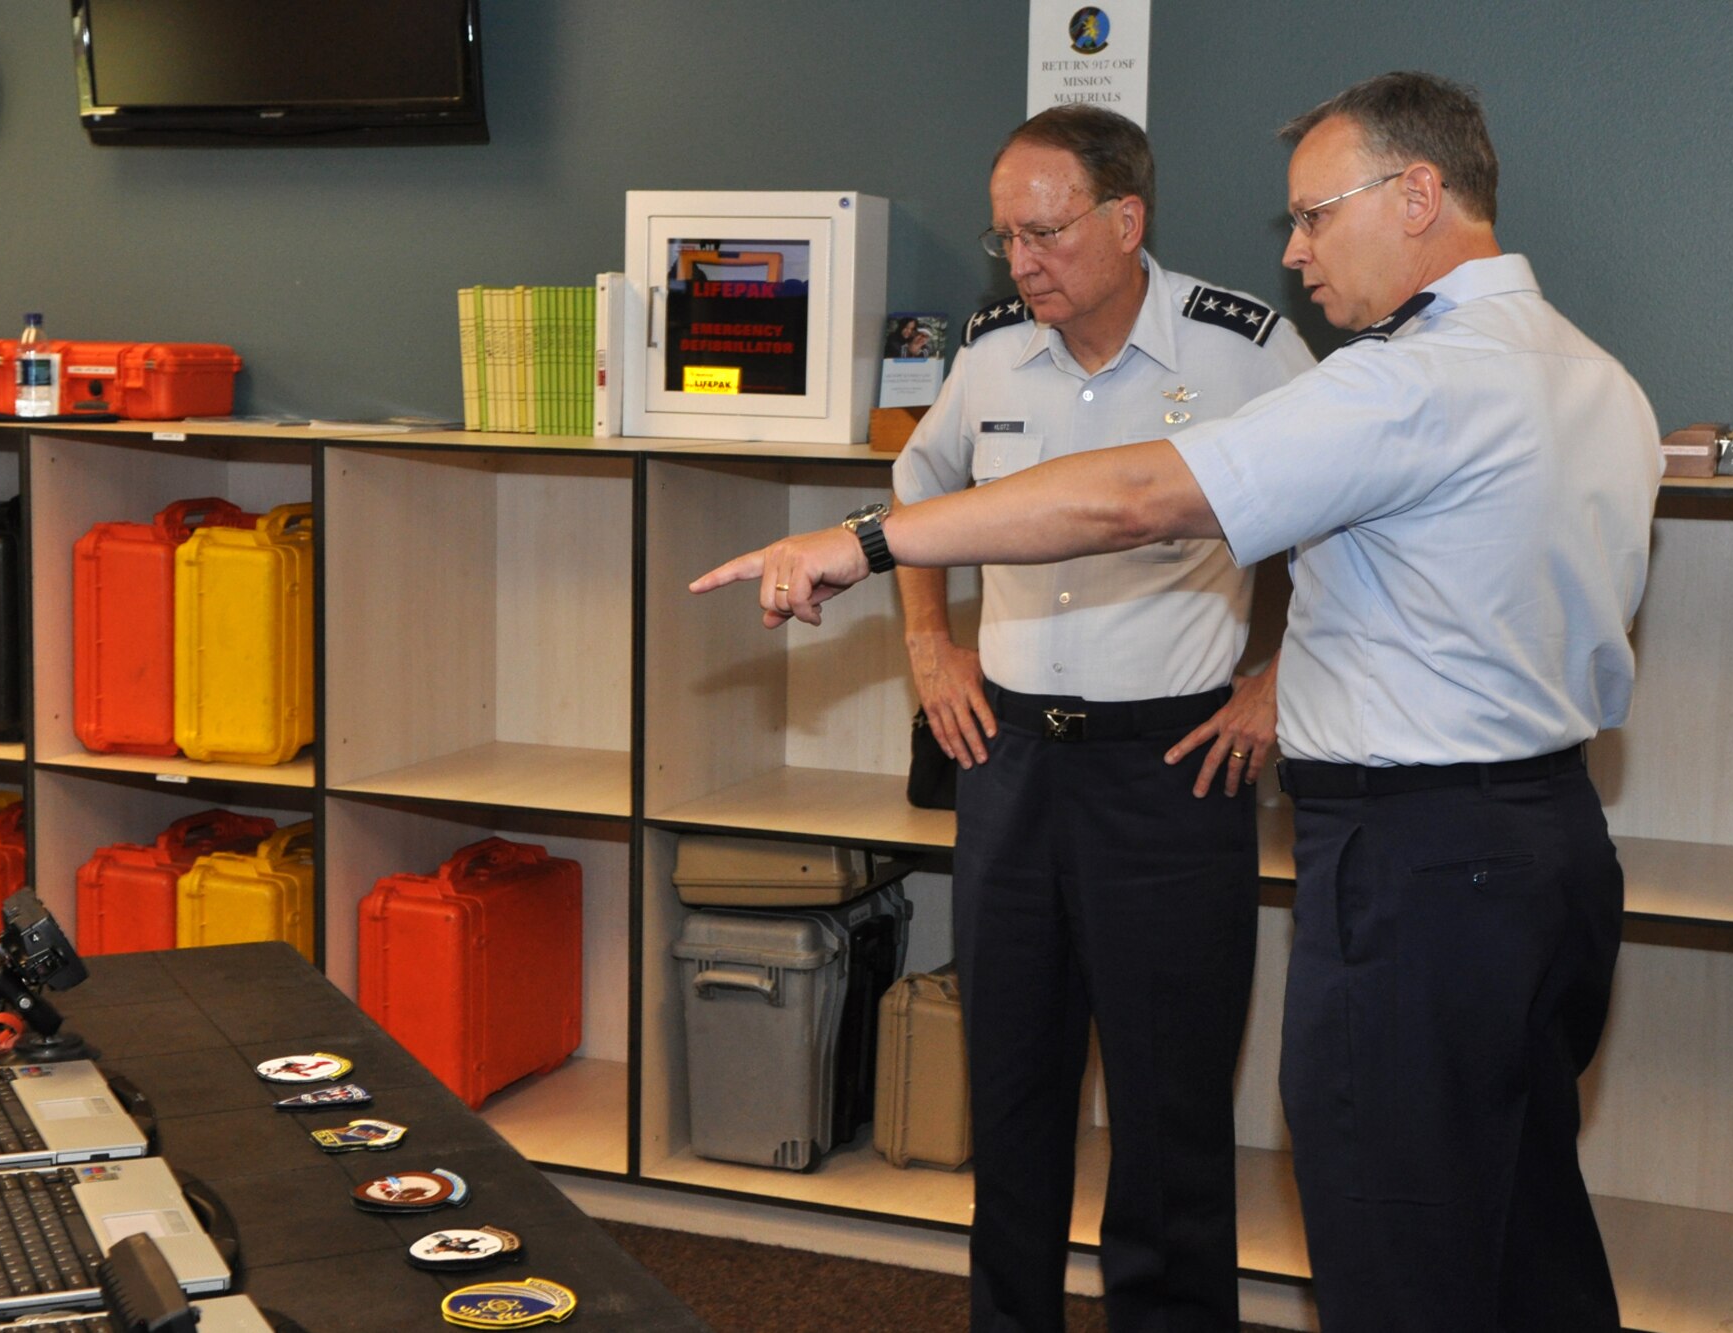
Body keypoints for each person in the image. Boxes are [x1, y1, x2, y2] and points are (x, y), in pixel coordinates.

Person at [692, 72, 1661, 1333]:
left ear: (1418, 195)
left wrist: (860, 546)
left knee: (1393, 1249)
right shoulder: (1594, 376)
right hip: (1541, 844)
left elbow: (1130, 498)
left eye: (1315, 214)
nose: (1297, 250)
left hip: (1408, 864)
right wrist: (929, 631)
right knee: (1518, 1222)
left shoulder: (1401, 380)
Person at [891, 104, 1312, 1333]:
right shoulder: (988, 357)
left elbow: (1349, 525)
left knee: (1168, 1110)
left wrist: (1277, 680)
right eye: (1003, 236)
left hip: (1169, 772)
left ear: (1126, 221)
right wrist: (928, 643)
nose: (1018, 261)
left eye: (1045, 231)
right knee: (1010, 1094)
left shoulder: (1243, 350)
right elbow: (914, 493)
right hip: (1013, 765)